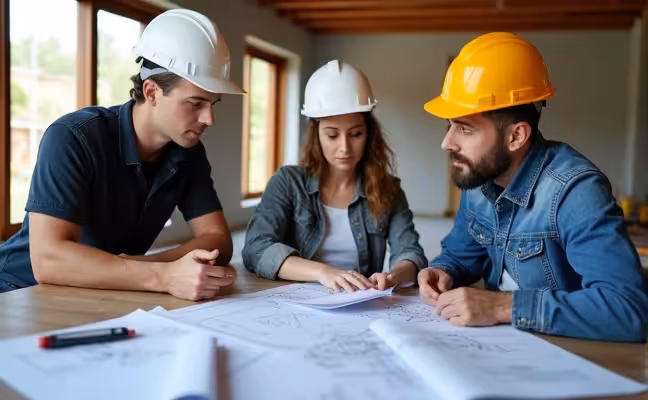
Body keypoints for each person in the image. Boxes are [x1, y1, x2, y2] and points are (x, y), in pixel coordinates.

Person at [418, 32, 648, 341]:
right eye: (449, 126)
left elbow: (628, 310)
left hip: (571, 362)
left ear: (516, 136)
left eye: (464, 128)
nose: (447, 143)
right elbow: (463, 255)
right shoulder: (478, 178)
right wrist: (443, 271)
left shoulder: (576, 193)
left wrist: (502, 307)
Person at [0, 9, 243, 301]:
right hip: (19, 292)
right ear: (152, 92)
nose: (209, 119)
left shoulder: (188, 152)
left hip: (102, 292)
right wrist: (163, 275)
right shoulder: (73, 137)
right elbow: (50, 260)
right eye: (195, 103)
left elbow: (217, 241)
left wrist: (142, 267)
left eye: (213, 104)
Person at [243, 60, 427, 292]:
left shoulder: (388, 188)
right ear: (316, 134)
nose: (345, 148)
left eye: (356, 134)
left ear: (369, 133)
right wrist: (323, 272)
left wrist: (393, 276)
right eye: (332, 135)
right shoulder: (288, 182)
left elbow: (411, 253)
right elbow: (255, 248)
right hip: (297, 300)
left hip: (357, 301)